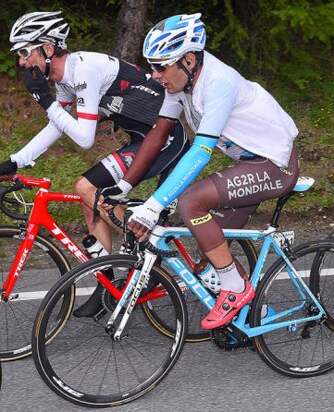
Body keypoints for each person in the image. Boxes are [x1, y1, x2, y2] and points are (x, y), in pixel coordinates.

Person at [0, 11, 189, 318]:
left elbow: (84, 138)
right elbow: (57, 125)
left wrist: (43, 99)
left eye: (26, 52)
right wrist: (13, 162)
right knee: (87, 197)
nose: (22, 63)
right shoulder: (66, 78)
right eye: (20, 55)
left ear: (48, 49)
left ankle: (141, 244)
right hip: (144, 139)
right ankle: (107, 282)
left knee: (86, 187)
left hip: (165, 139)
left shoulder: (84, 71)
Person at [127, 13, 300, 330]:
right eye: (151, 66)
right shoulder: (181, 82)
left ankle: (237, 290)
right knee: (209, 265)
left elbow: (202, 150)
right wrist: (126, 186)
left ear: (188, 60)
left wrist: (154, 205)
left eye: (160, 66)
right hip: (250, 164)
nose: (154, 75)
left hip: (275, 166)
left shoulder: (218, 82)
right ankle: (255, 319)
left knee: (191, 203)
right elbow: (159, 133)